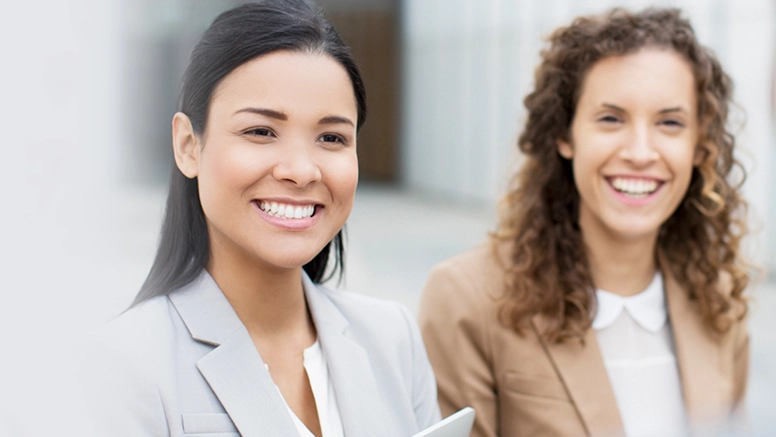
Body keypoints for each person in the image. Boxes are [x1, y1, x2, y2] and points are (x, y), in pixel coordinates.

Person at [83, 1, 440, 435]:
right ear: (188, 146)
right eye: (261, 132)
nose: (301, 170)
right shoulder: (124, 366)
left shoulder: (392, 338)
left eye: (332, 137)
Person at [418, 8, 751, 437]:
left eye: (670, 122)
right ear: (565, 134)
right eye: (611, 118)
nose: (640, 151)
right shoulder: (465, 299)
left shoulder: (719, 304)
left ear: (699, 147)